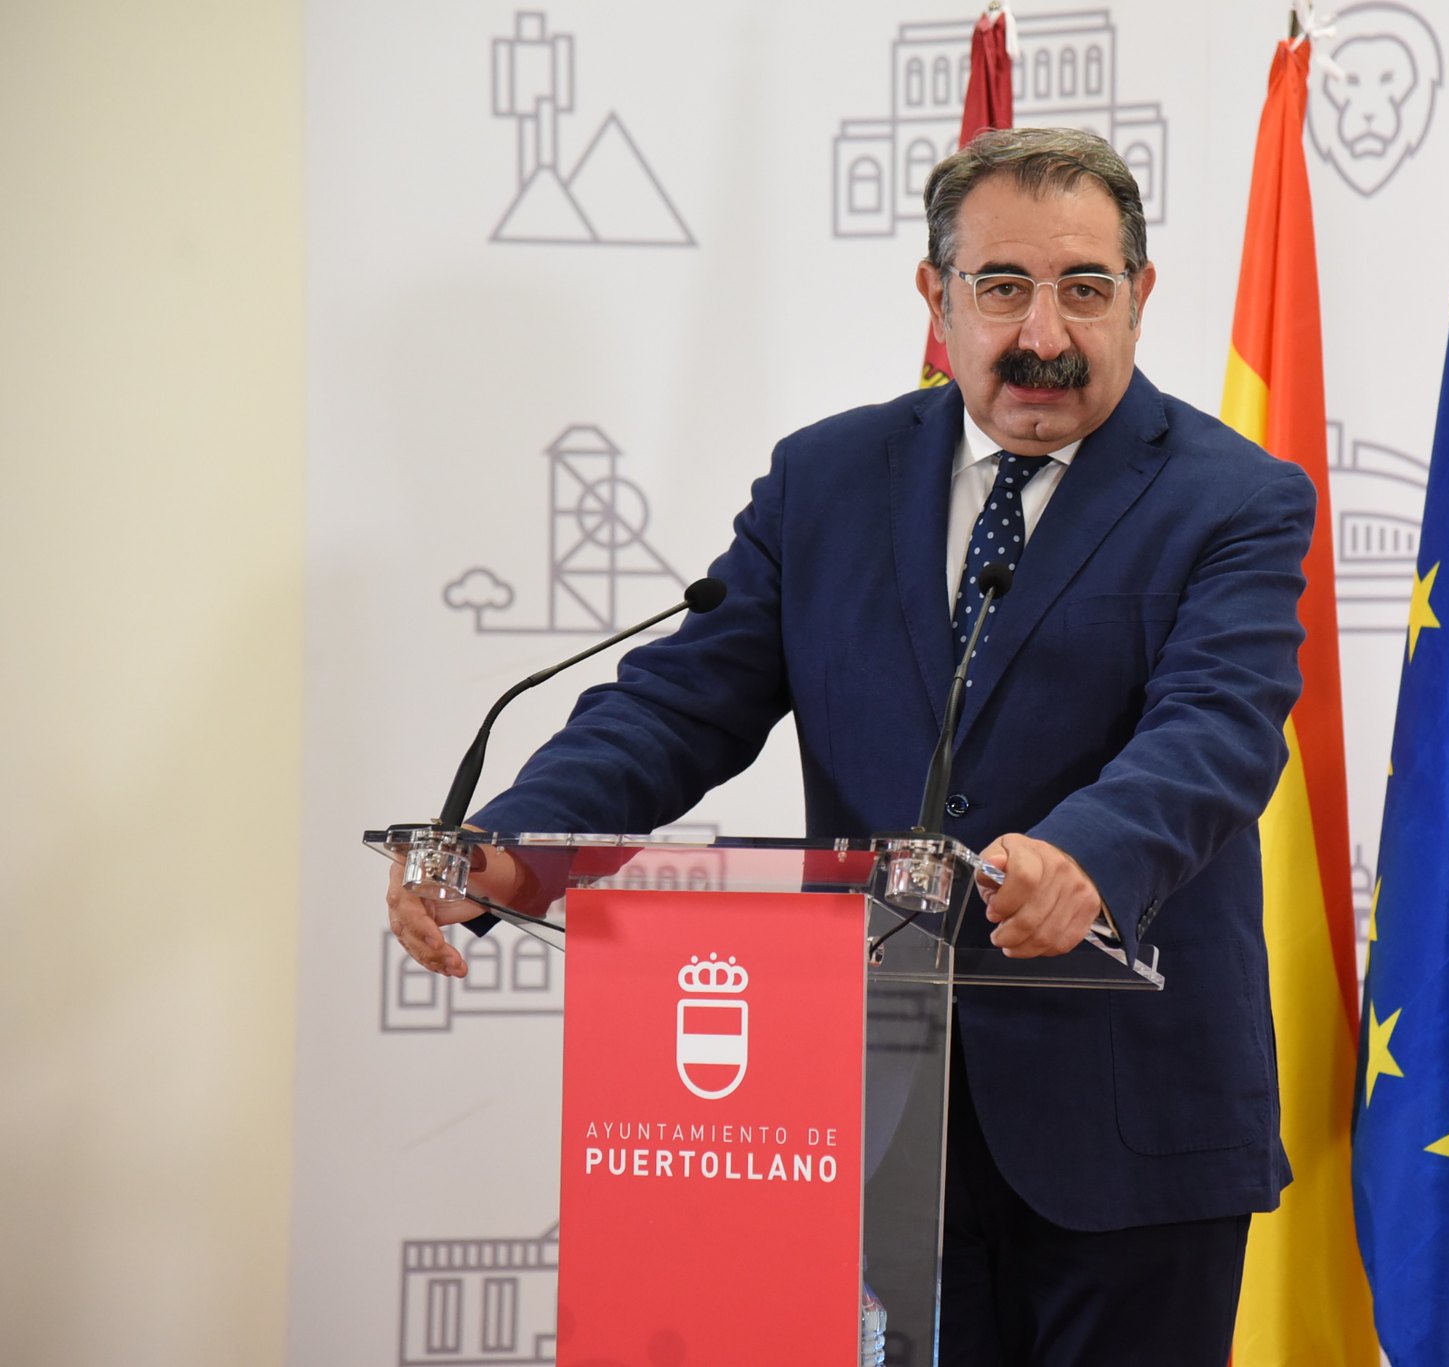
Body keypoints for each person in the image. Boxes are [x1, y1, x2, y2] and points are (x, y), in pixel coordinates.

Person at [386, 127, 1315, 1367]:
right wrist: (515, 845)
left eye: (1085, 288)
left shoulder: (1232, 496)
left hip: (1129, 1119)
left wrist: (1087, 855)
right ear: (936, 296)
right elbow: (680, 704)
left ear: (1140, 297)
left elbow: (1214, 725)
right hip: (872, 1112)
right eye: (1002, 286)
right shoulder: (825, 480)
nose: (1044, 331)